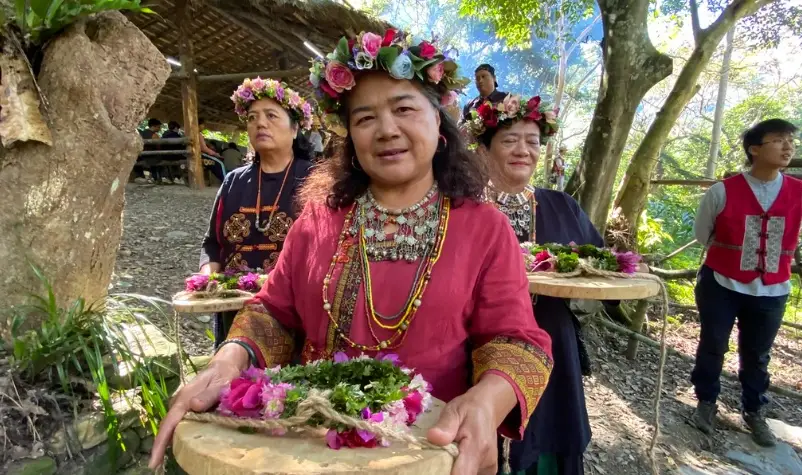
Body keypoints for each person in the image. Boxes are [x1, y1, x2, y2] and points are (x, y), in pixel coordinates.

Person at [150, 31, 554, 475]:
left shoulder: (484, 228)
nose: (386, 130)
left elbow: (516, 340)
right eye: (365, 118)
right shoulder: (317, 221)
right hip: (309, 452)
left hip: (426, 455)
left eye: (404, 109)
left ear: (439, 123)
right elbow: (273, 312)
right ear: (351, 138)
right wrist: (230, 358)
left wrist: (487, 399)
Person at [467, 94, 591, 475]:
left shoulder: (563, 206)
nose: (523, 150)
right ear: (484, 148)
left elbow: (596, 269)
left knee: (547, 443)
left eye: (533, 142)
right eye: (509, 140)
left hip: (551, 340)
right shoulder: (463, 208)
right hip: (476, 343)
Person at [691, 118, 801, 447]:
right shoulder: (722, 191)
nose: (787, 147)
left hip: (772, 288)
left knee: (758, 354)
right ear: (754, 149)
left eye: (790, 141)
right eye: (778, 140)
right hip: (721, 283)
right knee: (713, 345)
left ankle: (754, 410)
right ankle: (706, 402)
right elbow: (702, 234)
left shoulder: (798, 192)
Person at [196, 78, 315, 348]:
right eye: (252, 118)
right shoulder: (233, 182)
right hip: (233, 305)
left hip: (292, 311)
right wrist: (207, 277)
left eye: (271, 115)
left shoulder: (314, 180)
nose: (260, 123)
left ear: (295, 128)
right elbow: (212, 244)